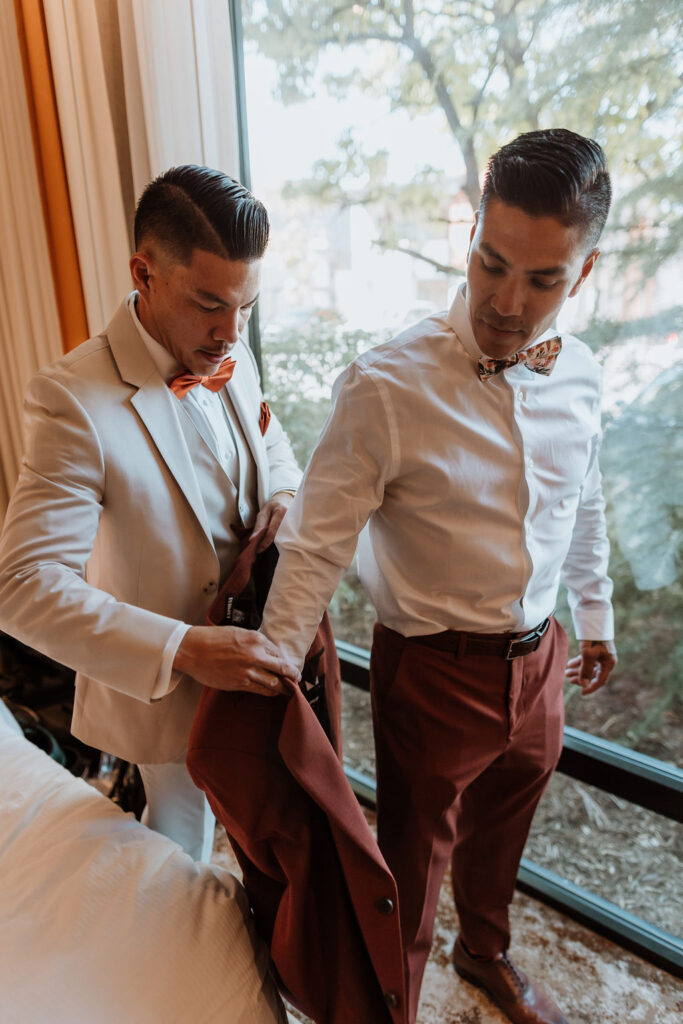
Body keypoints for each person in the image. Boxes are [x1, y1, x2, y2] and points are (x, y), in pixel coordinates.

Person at [260, 129, 617, 1024]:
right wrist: (268, 664)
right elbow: (314, 543)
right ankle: (396, 1005)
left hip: (542, 664)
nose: (505, 300)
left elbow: (584, 498)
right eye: (491, 263)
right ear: (469, 234)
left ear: (583, 270)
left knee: (504, 834)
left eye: (541, 279)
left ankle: (484, 951)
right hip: (431, 673)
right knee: (408, 869)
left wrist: (596, 615)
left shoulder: (579, 372)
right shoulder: (384, 385)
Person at [0, 165, 301, 862]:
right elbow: (20, 587)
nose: (231, 332)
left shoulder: (228, 347)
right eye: (209, 304)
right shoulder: (71, 399)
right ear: (143, 271)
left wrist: (282, 493)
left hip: (260, 662)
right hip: (167, 695)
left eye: (247, 307)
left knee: (268, 846)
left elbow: (268, 437)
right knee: (180, 868)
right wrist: (183, 649)